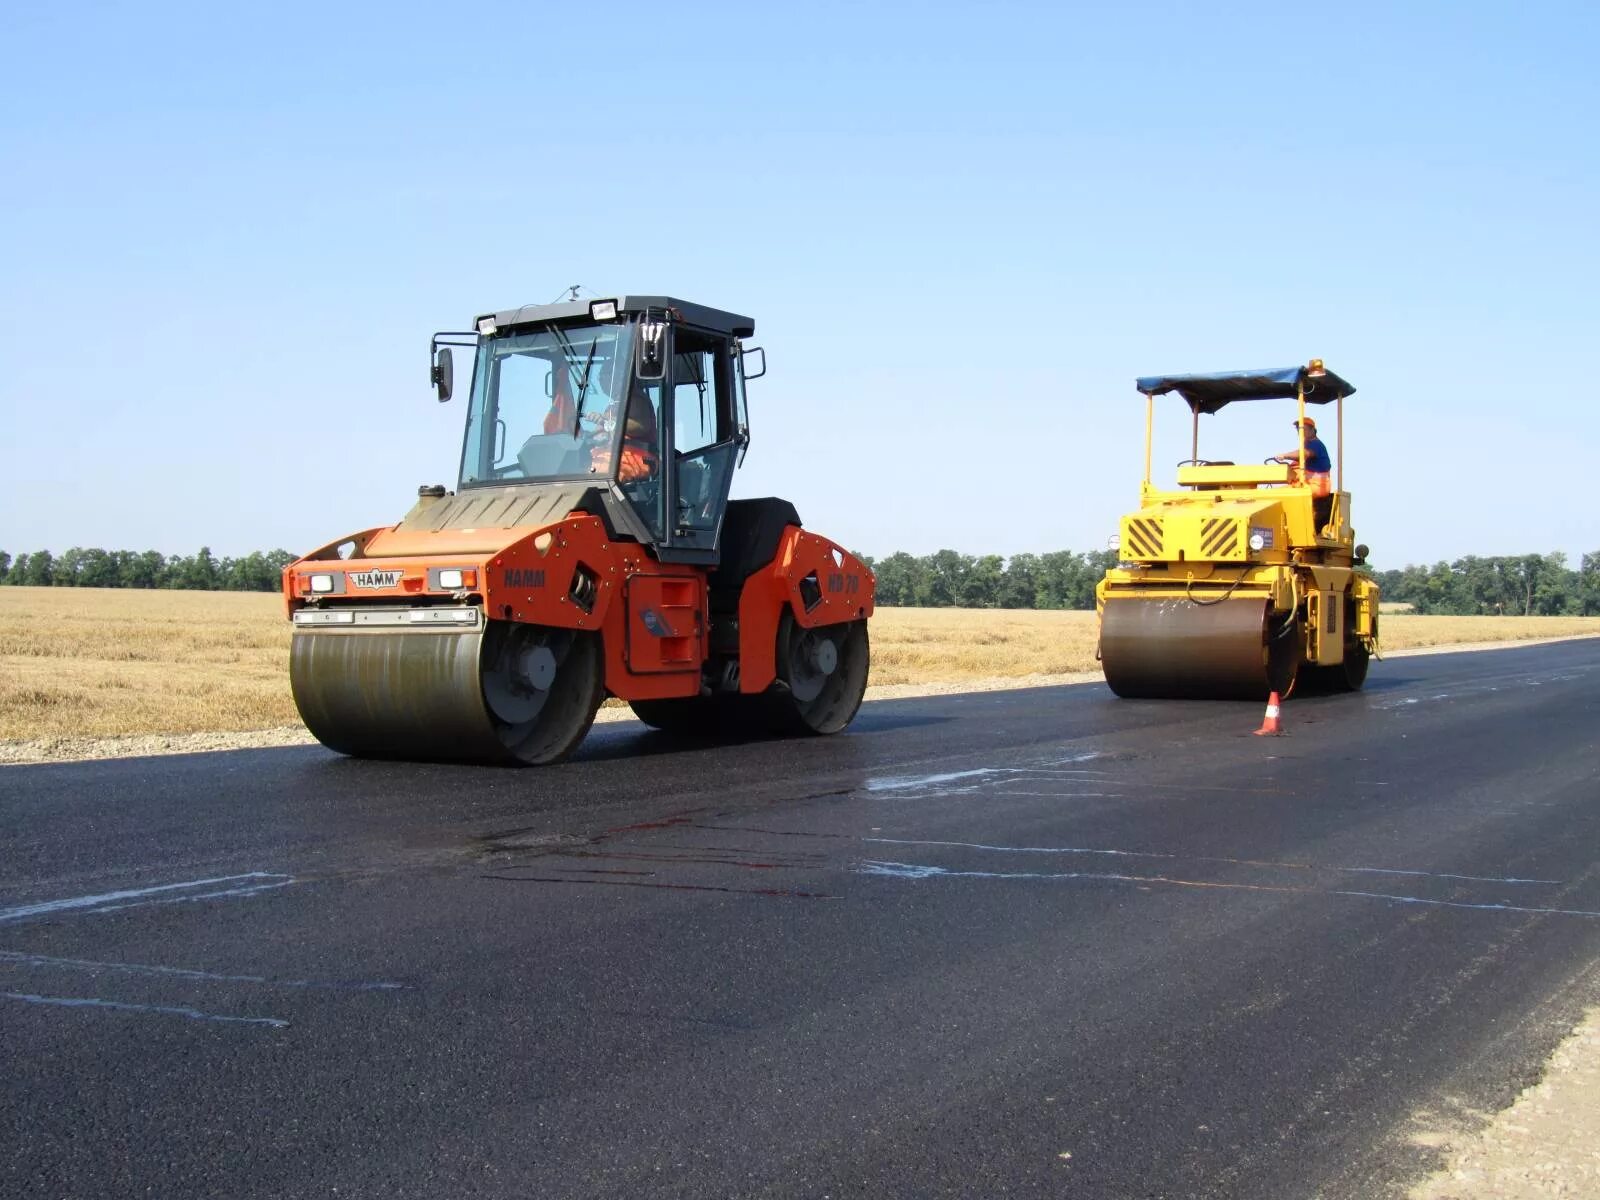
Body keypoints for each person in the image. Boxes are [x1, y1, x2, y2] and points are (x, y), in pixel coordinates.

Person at [1274, 417, 1333, 530]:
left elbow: (1304, 454)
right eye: (1297, 429)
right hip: (1309, 484)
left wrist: (1284, 455)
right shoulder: (1307, 445)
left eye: (1302, 429)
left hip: (1319, 486)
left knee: (1287, 495)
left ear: (1312, 430)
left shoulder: (1316, 444)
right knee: (1277, 492)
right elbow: (1298, 461)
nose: (1299, 432)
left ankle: (1295, 527)